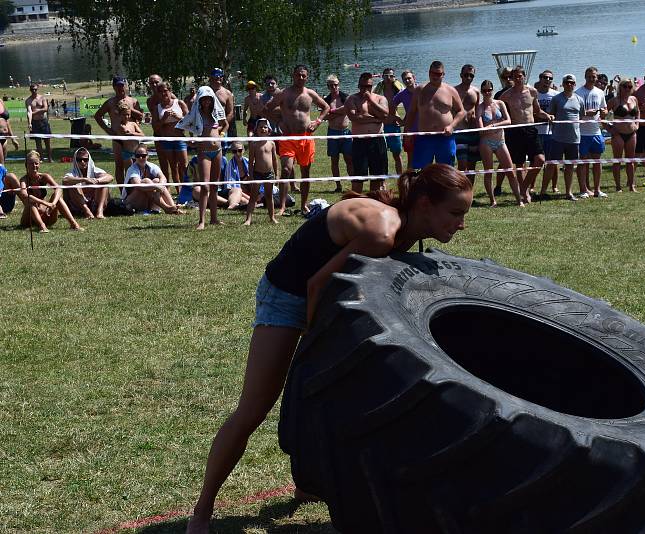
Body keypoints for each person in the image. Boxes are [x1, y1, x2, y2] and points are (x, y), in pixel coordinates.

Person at [184, 163, 473, 534]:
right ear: (423, 205)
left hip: (322, 296)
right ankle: (201, 513)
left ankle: (308, 482)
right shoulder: (384, 234)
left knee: (327, 396)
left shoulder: (405, 232)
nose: (461, 225)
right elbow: (317, 285)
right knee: (253, 409)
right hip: (287, 295)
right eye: (455, 214)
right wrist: (313, 346)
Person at [264, 65, 330, 215]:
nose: (300, 78)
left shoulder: (310, 94)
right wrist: (278, 123)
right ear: (293, 76)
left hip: (306, 137)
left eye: (303, 76)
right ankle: (282, 206)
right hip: (288, 138)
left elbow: (326, 107)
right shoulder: (283, 94)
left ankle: (303, 205)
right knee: (286, 170)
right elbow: (266, 109)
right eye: (298, 75)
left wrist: (318, 121)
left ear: (307, 77)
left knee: (305, 172)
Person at [177, 86, 228, 230]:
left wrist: (222, 134)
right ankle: (201, 221)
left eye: (209, 99)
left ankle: (214, 218)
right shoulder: (196, 114)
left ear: (212, 100)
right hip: (203, 152)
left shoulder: (217, 112)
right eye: (204, 99)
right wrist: (189, 140)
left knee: (214, 186)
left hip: (217, 150)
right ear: (200, 100)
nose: (206, 102)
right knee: (205, 186)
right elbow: (180, 127)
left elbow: (225, 124)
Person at [500, 66, 552, 202]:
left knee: (540, 159)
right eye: (515, 76)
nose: (518, 79)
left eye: (520, 76)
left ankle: (523, 188)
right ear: (512, 78)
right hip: (516, 130)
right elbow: (498, 110)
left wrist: (547, 115)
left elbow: (537, 111)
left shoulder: (533, 92)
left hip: (531, 129)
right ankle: (524, 194)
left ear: (524, 76)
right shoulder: (506, 95)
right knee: (520, 164)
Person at [405, 61, 465, 169]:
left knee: (446, 171)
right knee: (422, 171)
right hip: (424, 138)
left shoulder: (450, 90)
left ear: (443, 74)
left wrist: (452, 126)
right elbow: (411, 112)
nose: (435, 76)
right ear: (429, 73)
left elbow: (461, 111)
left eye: (438, 74)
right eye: (433, 73)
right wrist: (407, 133)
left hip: (445, 138)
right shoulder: (419, 90)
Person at [476, 80, 520, 207]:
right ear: (482, 92)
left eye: (489, 90)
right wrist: (490, 127)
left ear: (493, 90)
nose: (487, 92)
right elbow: (481, 130)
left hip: (500, 141)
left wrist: (494, 125)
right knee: (488, 172)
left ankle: (519, 200)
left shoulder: (500, 103)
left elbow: (508, 121)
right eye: (484, 90)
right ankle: (492, 200)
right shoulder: (480, 107)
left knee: (510, 171)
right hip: (486, 143)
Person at [94, 76, 145, 184]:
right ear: (114, 87)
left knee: (136, 163)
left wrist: (134, 121)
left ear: (126, 86)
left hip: (131, 138)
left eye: (122, 85)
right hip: (117, 138)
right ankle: (123, 192)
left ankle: (136, 189)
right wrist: (108, 130)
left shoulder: (133, 101)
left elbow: (141, 116)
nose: (120, 88)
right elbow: (97, 116)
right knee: (119, 165)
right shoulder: (110, 102)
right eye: (118, 86)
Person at [345, 72, 390, 193]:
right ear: (359, 85)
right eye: (363, 86)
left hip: (377, 140)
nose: (365, 89)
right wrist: (376, 118)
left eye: (368, 86)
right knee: (358, 177)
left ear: (372, 86)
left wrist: (371, 101)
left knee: (377, 176)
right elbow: (354, 117)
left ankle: (373, 202)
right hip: (360, 141)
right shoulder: (351, 99)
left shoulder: (380, 98)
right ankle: (356, 203)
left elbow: (385, 114)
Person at [18, 150, 83, 232]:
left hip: (46, 215)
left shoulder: (44, 177)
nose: (34, 166)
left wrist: (53, 203)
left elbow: (59, 188)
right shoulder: (24, 180)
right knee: (30, 201)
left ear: (39, 164)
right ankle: (42, 227)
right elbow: (24, 195)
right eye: (31, 164)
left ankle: (74, 224)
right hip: (29, 219)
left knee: (58, 197)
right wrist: (46, 203)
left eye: (36, 163)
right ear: (26, 165)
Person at [545, 74, 586, 200]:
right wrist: (551, 117)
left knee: (570, 166)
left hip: (574, 139)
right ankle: (542, 191)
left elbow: (581, 116)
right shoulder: (556, 99)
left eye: (572, 83)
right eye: (567, 82)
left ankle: (569, 193)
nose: (569, 84)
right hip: (558, 138)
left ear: (574, 84)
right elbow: (550, 114)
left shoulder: (579, 99)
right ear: (563, 84)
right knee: (552, 165)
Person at [122, 144, 185, 214]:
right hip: (130, 202)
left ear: (147, 156)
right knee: (147, 181)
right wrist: (156, 186)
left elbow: (163, 177)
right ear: (134, 157)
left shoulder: (151, 166)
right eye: (138, 156)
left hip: (147, 201)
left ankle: (173, 207)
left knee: (157, 181)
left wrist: (159, 185)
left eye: (143, 156)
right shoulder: (132, 169)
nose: (140, 158)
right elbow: (138, 185)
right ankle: (166, 208)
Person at [575, 66, 608, 198]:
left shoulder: (600, 92)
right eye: (589, 76)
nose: (591, 78)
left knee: (597, 161)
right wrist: (586, 113)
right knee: (583, 162)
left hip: (596, 132)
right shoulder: (578, 93)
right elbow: (575, 113)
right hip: (582, 132)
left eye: (594, 76)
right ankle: (583, 189)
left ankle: (597, 190)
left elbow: (604, 109)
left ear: (597, 77)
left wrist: (604, 112)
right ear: (585, 77)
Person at [155, 81, 190, 195]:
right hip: (167, 140)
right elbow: (156, 128)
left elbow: (190, 120)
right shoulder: (158, 108)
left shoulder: (179, 103)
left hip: (180, 139)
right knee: (173, 166)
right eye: (160, 92)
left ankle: (187, 189)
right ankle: (179, 191)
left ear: (170, 91)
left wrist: (179, 117)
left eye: (165, 90)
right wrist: (163, 119)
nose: (163, 93)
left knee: (184, 165)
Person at [605, 78, 639, 192]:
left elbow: (638, 113)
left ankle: (631, 186)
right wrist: (609, 129)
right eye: (625, 86)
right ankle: (618, 186)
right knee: (617, 160)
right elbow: (602, 116)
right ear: (620, 87)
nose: (627, 89)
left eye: (630, 87)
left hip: (632, 134)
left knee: (631, 161)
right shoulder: (614, 101)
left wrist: (637, 124)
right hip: (618, 134)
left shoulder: (634, 99)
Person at [63, 147, 114, 219]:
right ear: (75, 160)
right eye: (79, 160)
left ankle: (100, 212)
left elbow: (110, 177)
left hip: (94, 203)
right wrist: (84, 179)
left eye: (85, 159)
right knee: (73, 185)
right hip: (78, 206)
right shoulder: (72, 172)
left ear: (89, 160)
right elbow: (65, 180)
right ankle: (87, 211)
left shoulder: (95, 170)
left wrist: (97, 181)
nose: (82, 162)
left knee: (104, 184)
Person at [245, 119, 279, 225]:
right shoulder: (254, 144)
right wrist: (250, 174)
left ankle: (272, 217)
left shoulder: (272, 144)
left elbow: (274, 159)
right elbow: (251, 161)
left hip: (269, 174)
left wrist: (276, 174)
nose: (263, 129)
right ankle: (248, 219)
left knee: (269, 196)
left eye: (265, 127)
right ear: (256, 130)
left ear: (269, 130)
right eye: (260, 127)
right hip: (257, 173)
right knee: (253, 197)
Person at [323, 75, 352, 193]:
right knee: (334, 160)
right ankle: (338, 185)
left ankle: (353, 183)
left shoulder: (345, 97)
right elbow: (325, 115)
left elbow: (347, 109)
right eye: (331, 85)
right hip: (333, 132)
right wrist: (340, 112)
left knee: (349, 159)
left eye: (335, 84)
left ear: (338, 84)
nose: (333, 87)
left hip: (346, 132)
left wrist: (333, 111)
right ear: (328, 86)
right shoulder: (327, 100)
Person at [374, 68, 405, 174]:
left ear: (394, 77)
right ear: (382, 76)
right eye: (386, 75)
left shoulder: (397, 87)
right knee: (381, 155)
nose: (388, 78)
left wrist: (400, 119)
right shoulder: (379, 87)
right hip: (382, 125)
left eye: (391, 76)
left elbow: (407, 97)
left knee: (397, 154)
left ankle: (400, 177)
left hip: (393, 125)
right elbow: (372, 99)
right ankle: (382, 182)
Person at [453, 64, 482, 177]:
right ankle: (460, 189)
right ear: (461, 75)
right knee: (462, 164)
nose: (468, 78)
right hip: (460, 131)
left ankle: (469, 191)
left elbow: (478, 109)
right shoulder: (454, 91)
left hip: (473, 132)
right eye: (466, 75)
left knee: (472, 165)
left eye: (471, 75)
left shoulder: (476, 91)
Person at [393, 70, 418, 169]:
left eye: (409, 78)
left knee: (425, 161)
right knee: (411, 161)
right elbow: (390, 107)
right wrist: (400, 120)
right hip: (409, 131)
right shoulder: (402, 94)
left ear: (414, 78)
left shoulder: (423, 89)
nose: (407, 81)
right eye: (405, 79)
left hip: (424, 129)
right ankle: (409, 183)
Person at [25, 83, 53, 163]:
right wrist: (29, 123)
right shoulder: (28, 100)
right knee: (38, 141)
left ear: (37, 89)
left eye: (35, 89)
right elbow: (29, 112)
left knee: (47, 141)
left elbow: (45, 108)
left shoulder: (42, 98)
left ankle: (50, 158)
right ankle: (41, 159)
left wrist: (36, 111)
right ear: (30, 90)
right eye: (32, 89)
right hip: (35, 123)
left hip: (44, 122)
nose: (34, 91)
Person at [220, 141, 250, 210]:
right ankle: (233, 205)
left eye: (239, 150)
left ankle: (234, 204)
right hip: (238, 193)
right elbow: (231, 187)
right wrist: (249, 197)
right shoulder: (230, 165)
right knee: (240, 194)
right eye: (234, 151)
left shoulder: (249, 162)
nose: (237, 153)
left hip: (251, 191)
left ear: (244, 150)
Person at [209, 68, 235, 142]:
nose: (218, 77)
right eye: (216, 75)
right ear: (211, 77)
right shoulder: (205, 91)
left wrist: (222, 126)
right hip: (206, 128)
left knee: (222, 150)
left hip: (221, 128)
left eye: (220, 76)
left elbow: (230, 113)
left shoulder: (227, 93)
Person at [0, 98, 20, 165]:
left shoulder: (1, 101)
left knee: (3, 162)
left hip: (4, 136)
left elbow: (7, 122)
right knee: (1, 162)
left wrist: (13, 139)